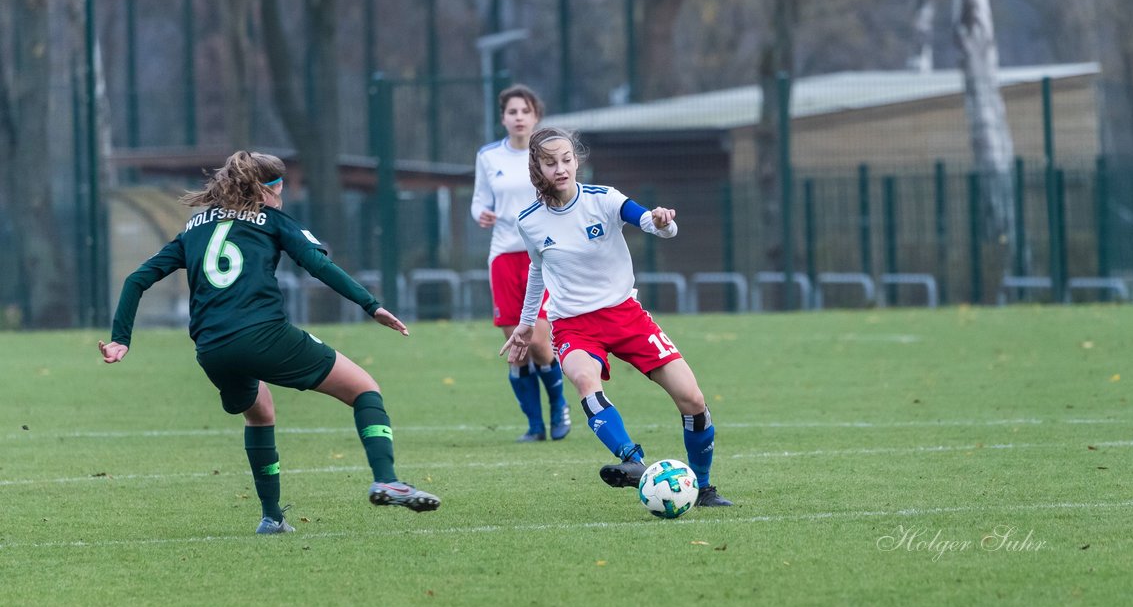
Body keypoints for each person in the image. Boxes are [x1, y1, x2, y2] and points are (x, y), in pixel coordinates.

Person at [98, 150, 440, 534]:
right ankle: (387, 479)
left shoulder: (194, 227)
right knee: (364, 390)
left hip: (211, 349)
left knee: (259, 412)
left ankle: (272, 518)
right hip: (264, 334)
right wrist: (371, 305)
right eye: (279, 190)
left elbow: (135, 281)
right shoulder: (272, 220)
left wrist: (120, 340)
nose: (282, 198)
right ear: (265, 191)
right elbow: (319, 265)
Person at [500, 127, 731, 507]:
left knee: (692, 398)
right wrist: (526, 324)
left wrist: (662, 221)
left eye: (567, 159)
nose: (561, 168)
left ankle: (703, 488)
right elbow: (538, 272)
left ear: (577, 161)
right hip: (573, 324)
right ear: (536, 168)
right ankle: (632, 462)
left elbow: (650, 223)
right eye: (550, 162)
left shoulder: (604, 199)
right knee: (585, 381)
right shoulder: (529, 221)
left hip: (626, 316)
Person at [472, 84, 571, 443]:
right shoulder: (488, 157)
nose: (518, 117)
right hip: (503, 257)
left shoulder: (547, 157)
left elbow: (565, 195)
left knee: (542, 343)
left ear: (536, 117)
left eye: (525, 111)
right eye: (512, 111)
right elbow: (479, 201)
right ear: (503, 117)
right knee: (517, 348)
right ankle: (534, 425)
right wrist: (480, 213)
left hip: (542, 256)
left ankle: (559, 407)